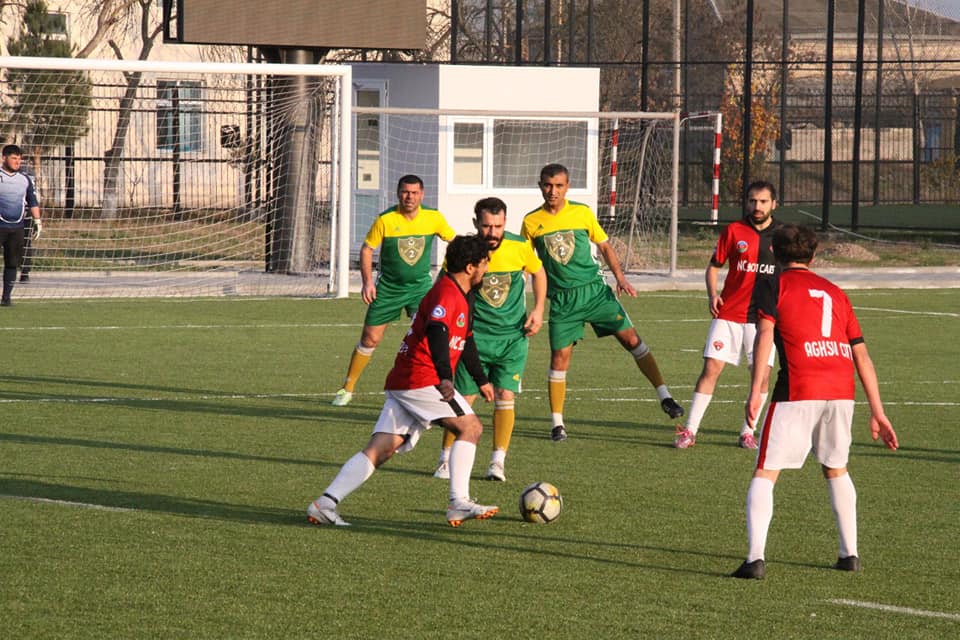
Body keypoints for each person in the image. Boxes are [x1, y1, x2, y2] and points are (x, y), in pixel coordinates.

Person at [731, 224, 899, 580]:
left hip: (798, 387)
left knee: (766, 471)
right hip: (841, 389)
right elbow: (862, 356)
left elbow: (764, 334)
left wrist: (757, 388)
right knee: (836, 468)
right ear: (814, 255)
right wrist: (878, 411)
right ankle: (849, 554)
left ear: (774, 254)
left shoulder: (773, 283)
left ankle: (754, 559)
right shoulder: (835, 292)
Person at [308, 234, 500, 528]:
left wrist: (480, 379)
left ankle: (325, 503)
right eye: (485, 263)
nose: (488, 269)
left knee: (381, 448)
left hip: (406, 379)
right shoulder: (447, 293)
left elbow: (466, 340)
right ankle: (458, 502)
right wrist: (446, 378)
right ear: (472, 266)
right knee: (471, 427)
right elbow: (437, 332)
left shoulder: (463, 295)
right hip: (421, 378)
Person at [521, 163, 683, 442]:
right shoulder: (531, 222)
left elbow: (605, 246)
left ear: (567, 186)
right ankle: (557, 423)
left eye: (559, 185)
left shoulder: (582, 213)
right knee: (560, 358)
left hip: (595, 292)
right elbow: (527, 265)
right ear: (540, 186)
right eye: (548, 185)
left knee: (633, 340)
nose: (553, 191)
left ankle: (665, 396)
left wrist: (620, 277)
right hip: (562, 300)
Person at [433, 197, 547, 482]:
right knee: (463, 399)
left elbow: (539, 272)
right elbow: (445, 287)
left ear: (505, 223)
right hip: (475, 340)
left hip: (512, 339)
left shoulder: (519, 246)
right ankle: (445, 459)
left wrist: (538, 309)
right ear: (476, 224)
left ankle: (498, 462)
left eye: (498, 226)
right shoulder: (464, 252)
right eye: (486, 226)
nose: (493, 233)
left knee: (505, 396)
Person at [331, 175, 456, 406]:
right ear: (398, 193)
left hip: (420, 289)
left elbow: (455, 243)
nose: (410, 197)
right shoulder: (386, 219)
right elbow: (367, 250)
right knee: (370, 339)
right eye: (405, 192)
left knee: (432, 336)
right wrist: (367, 282)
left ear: (422, 194)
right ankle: (347, 388)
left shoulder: (433, 217)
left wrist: (447, 275)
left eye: (414, 192)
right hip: (388, 289)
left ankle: (436, 386)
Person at [674, 180, 780, 450]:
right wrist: (713, 294)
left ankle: (748, 432)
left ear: (774, 204)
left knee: (762, 375)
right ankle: (689, 430)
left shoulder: (783, 235)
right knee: (711, 369)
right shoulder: (734, 231)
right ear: (747, 202)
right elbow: (713, 267)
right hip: (730, 313)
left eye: (763, 201)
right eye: (753, 201)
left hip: (764, 320)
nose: (757, 206)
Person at [0, 144, 42, 306]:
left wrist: (37, 221)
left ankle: (6, 298)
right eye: (14, 158)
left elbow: (32, 201)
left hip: (17, 228)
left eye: (19, 159)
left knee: (12, 263)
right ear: (4, 158)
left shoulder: (24, 179)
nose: (18, 162)